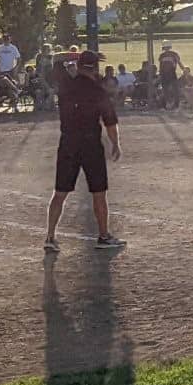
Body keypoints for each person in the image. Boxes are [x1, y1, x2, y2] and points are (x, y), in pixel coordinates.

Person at [43, 49, 123, 252]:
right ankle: (103, 236)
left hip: (68, 144)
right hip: (91, 146)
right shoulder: (98, 92)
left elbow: (57, 60)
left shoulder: (66, 86)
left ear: (78, 66)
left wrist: (73, 54)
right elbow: (110, 123)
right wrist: (115, 144)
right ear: (95, 68)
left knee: (59, 193)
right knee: (99, 193)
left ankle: (50, 237)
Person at [157, 42, 184, 109]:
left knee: (174, 89)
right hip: (165, 74)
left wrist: (183, 69)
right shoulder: (162, 55)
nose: (166, 49)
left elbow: (178, 62)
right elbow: (161, 65)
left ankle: (175, 103)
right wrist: (160, 74)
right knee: (166, 89)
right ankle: (169, 103)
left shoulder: (173, 54)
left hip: (171, 74)